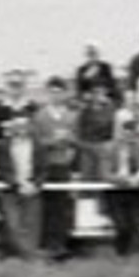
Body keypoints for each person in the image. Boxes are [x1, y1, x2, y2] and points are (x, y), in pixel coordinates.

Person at [33, 77, 78, 260]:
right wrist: (53, 141)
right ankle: (48, 246)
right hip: (46, 165)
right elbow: (37, 142)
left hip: (64, 165)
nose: (56, 95)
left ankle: (62, 245)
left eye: (59, 92)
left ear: (65, 93)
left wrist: (69, 143)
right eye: (52, 92)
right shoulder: (40, 116)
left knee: (63, 205)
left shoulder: (71, 116)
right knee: (47, 205)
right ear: (48, 93)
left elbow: (76, 140)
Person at [103, 112, 139, 256]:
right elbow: (105, 174)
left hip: (135, 191)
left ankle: (138, 256)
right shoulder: (109, 147)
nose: (129, 136)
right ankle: (121, 254)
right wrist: (123, 180)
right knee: (122, 226)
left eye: (132, 133)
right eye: (126, 132)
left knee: (137, 225)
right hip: (115, 193)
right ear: (120, 132)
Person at [0, 116, 42, 258]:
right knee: (13, 225)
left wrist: (35, 184)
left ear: (29, 127)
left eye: (24, 125)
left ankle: (29, 256)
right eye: (18, 126)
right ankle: (22, 254)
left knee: (31, 225)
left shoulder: (37, 145)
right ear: (13, 128)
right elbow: (3, 169)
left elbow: (43, 169)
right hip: (12, 189)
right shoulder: (5, 145)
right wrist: (17, 184)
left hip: (31, 189)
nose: (21, 129)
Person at [76, 82, 116, 180]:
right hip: (87, 148)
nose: (99, 96)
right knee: (87, 178)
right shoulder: (85, 111)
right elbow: (80, 130)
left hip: (103, 148)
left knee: (104, 177)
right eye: (96, 92)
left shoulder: (110, 110)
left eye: (102, 93)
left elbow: (113, 130)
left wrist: (108, 145)